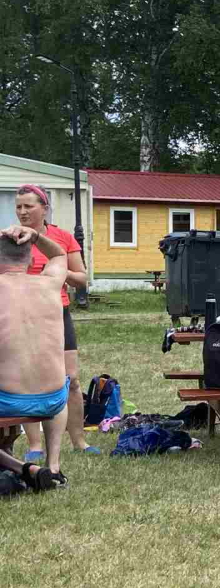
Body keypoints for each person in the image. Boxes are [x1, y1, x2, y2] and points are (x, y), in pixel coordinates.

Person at [13, 185, 95, 459]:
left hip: (57, 313)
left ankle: (79, 441)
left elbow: (82, 279)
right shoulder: (12, 238)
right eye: (19, 207)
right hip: (24, 315)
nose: (23, 212)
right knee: (29, 380)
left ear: (44, 208)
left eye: (29, 206)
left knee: (71, 380)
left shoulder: (62, 237)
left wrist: (59, 272)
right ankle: (35, 445)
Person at [0, 225, 71, 488]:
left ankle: (19, 467)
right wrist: (37, 236)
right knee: (62, 382)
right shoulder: (50, 284)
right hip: (53, 400)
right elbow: (59, 255)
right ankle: (53, 467)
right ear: (31, 261)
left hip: (7, 401)